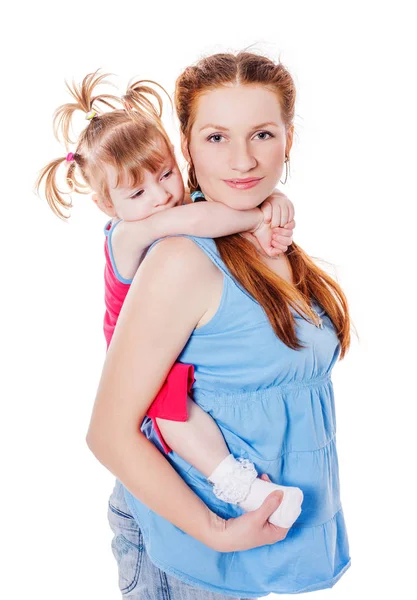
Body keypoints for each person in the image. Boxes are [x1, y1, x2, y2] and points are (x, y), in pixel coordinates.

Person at [87, 51, 352, 599]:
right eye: (215, 137)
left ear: (288, 140)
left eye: (261, 134)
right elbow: (110, 433)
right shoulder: (179, 254)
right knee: (172, 412)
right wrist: (221, 531)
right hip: (202, 545)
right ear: (186, 145)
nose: (242, 160)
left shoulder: (258, 236)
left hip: (266, 543)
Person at [36, 72, 304, 531]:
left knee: (183, 409)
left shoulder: (171, 212)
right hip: (141, 361)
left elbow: (208, 209)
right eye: (137, 192)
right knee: (173, 415)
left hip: (173, 349)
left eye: (165, 175)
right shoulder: (129, 233)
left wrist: (273, 196)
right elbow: (202, 215)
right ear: (107, 204)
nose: (161, 197)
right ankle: (237, 485)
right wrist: (262, 208)